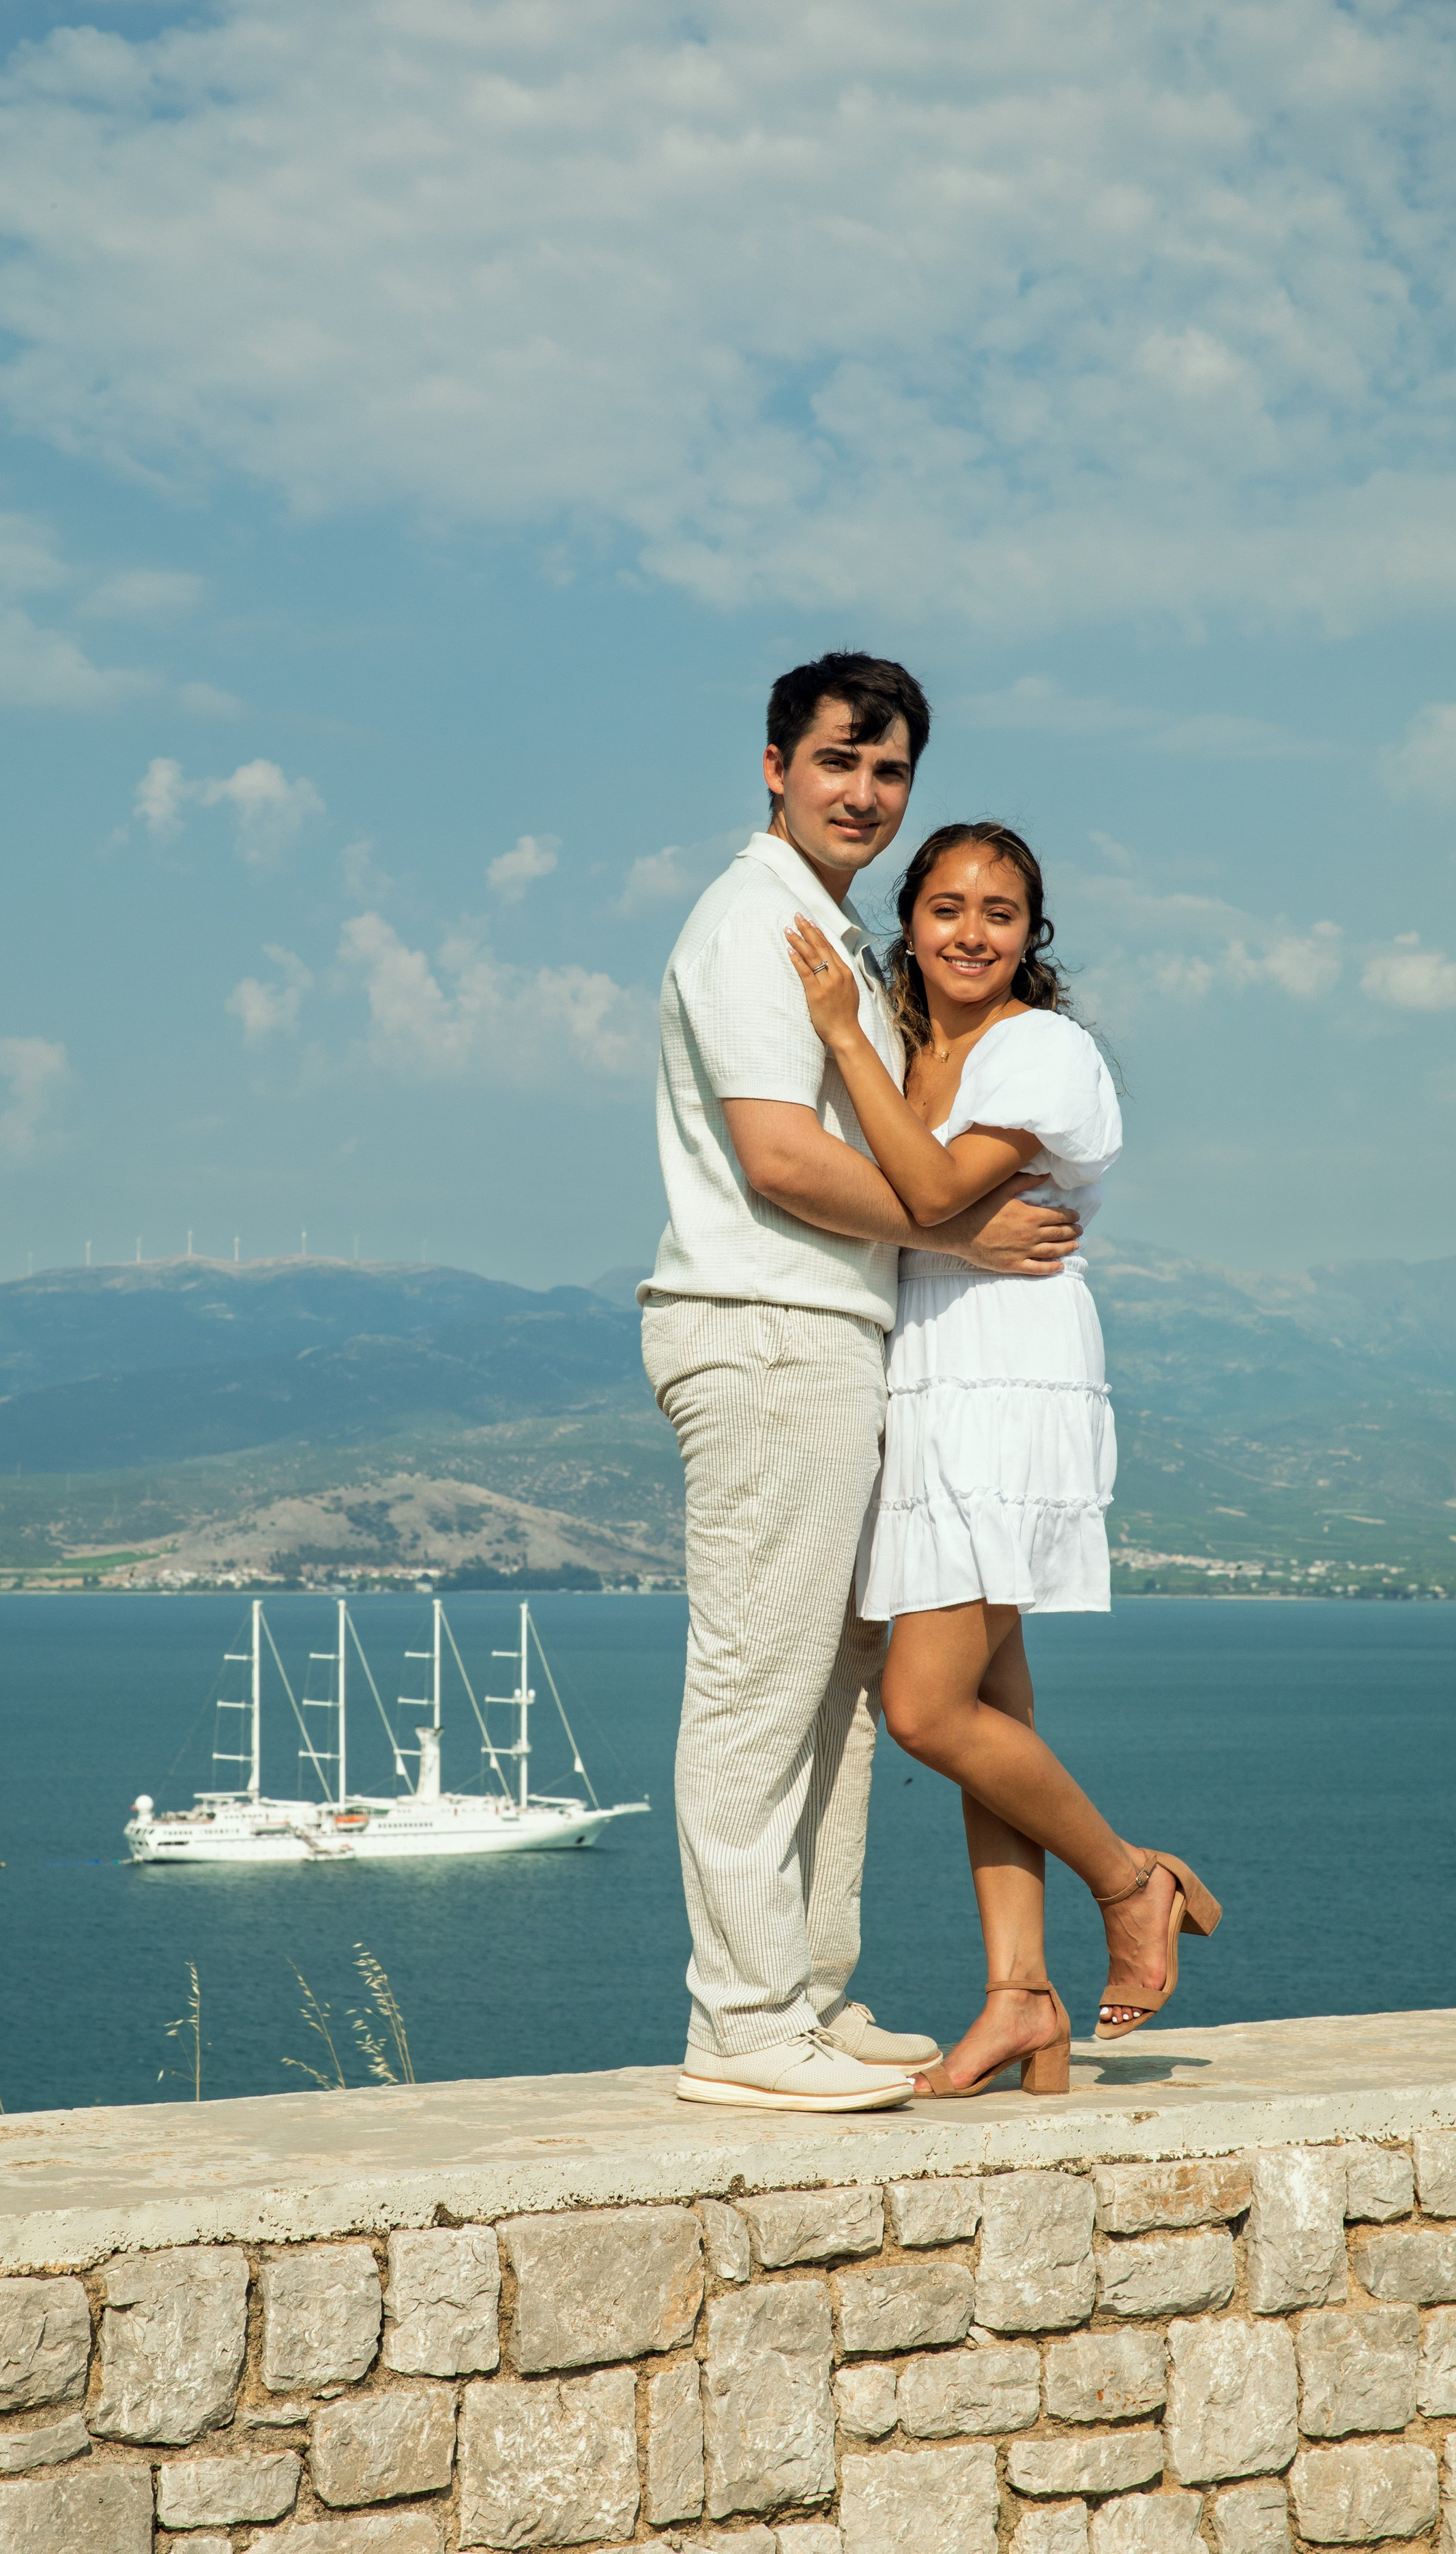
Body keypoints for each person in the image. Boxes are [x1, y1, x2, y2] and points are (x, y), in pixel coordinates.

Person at [641, 654, 1087, 2114]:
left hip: (830, 1335)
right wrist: (956, 1224)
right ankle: (741, 2023)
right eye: (839, 761)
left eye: (888, 769)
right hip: (763, 1324)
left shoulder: (821, 931)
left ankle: (807, 1996)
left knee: (830, 1692)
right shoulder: (750, 924)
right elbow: (777, 1157)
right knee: (756, 1688)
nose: (864, 793)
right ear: (773, 765)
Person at [785, 818, 1221, 2098]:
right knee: (993, 1711)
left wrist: (842, 1038)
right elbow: (924, 1210)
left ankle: (1133, 1881)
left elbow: (922, 1196)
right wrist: (875, 1058)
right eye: (947, 907)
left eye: (1001, 911)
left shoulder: (1043, 1049)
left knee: (925, 1707)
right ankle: (1020, 2002)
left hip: (1004, 1378)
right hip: (924, 1374)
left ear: (1035, 936)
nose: (972, 931)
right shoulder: (921, 1051)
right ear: (910, 919)